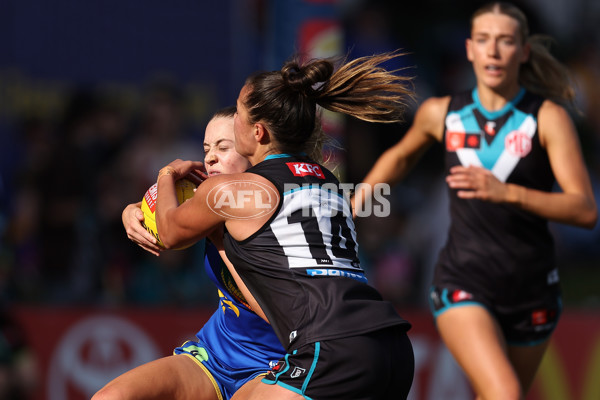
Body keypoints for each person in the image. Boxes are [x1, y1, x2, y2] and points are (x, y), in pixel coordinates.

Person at [353, 2, 597, 399]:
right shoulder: (442, 113)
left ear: (524, 51)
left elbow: (584, 209)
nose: (494, 51)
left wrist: (507, 193)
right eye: (484, 40)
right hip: (462, 282)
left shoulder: (548, 118)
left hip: (533, 290)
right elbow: (399, 157)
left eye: (505, 41)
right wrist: (357, 202)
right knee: (505, 393)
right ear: (470, 49)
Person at [151, 51, 416, 399]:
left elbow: (168, 232)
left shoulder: (237, 191)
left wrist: (166, 173)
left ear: (257, 132)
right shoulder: (329, 183)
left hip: (331, 347)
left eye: (239, 116)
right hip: (392, 346)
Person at [92, 107, 286, 400]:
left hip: (274, 364)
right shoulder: (209, 199)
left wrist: (218, 238)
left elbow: (276, 313)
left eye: (223, 147)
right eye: (206, 148)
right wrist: (130, 212)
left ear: (253, 151)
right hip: (216, 354)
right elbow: (159, 216)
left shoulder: (281, 215)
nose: (210, 158)